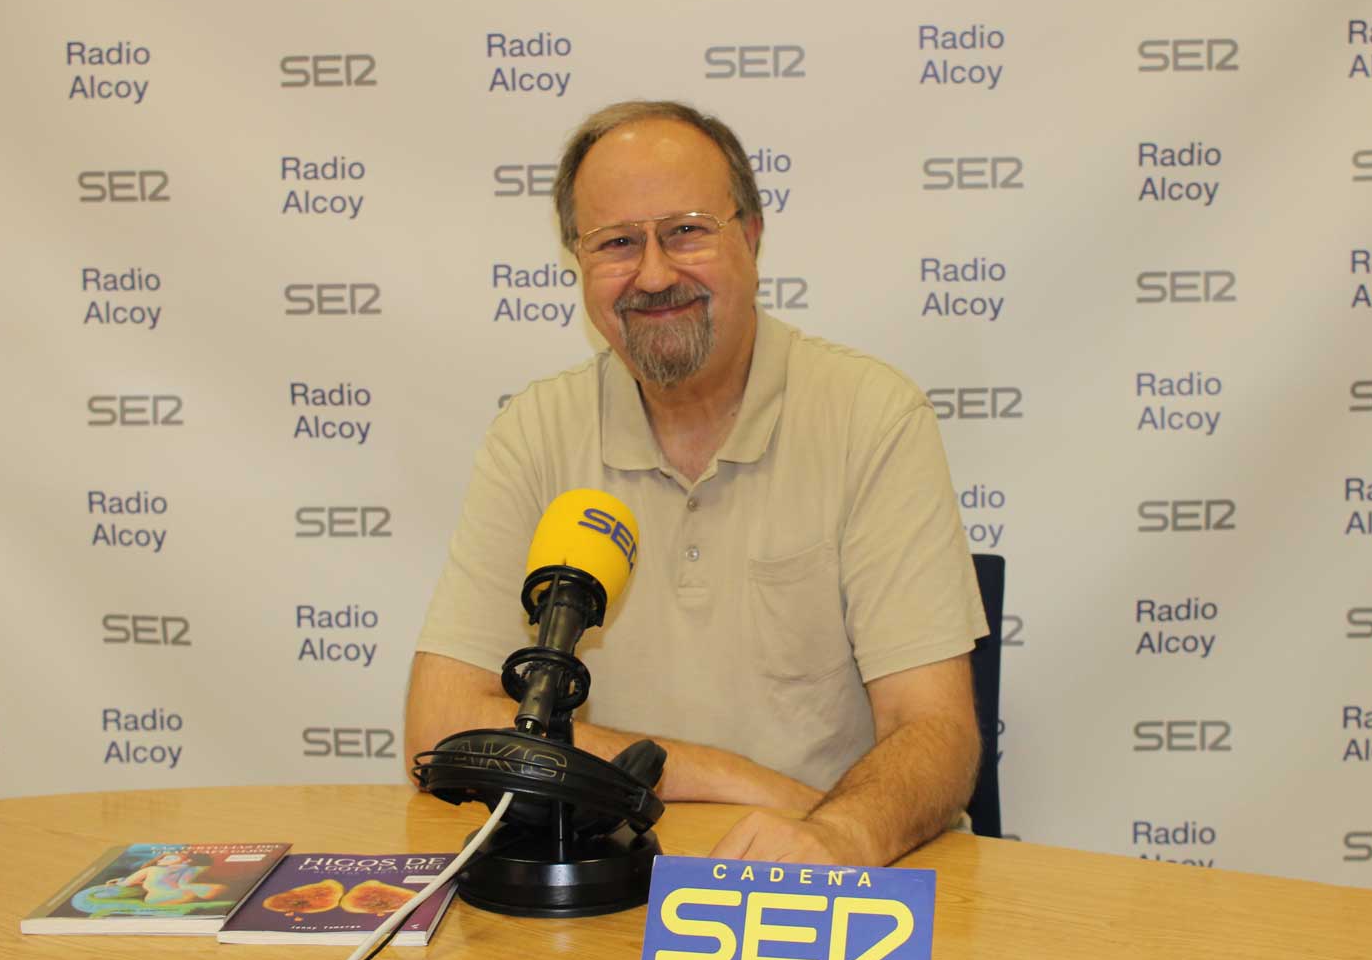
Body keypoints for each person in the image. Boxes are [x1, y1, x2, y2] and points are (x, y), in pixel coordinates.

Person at [403, 100, 986, 867]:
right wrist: (745, 782)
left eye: (685, 230)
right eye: (617, 242)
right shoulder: (535, 432)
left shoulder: (873, 416)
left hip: (834, 884)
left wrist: (832, 831)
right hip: (607, 877)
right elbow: (439, 726)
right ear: (579, 265)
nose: (653, 273)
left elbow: (938, 733)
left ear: (749, 234)